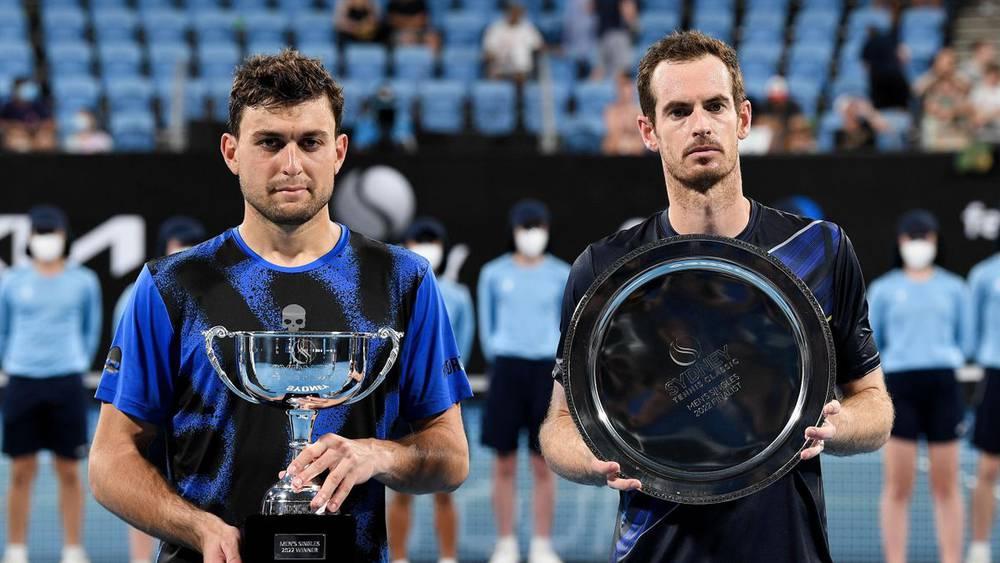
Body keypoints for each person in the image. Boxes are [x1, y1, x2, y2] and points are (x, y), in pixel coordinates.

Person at [88, 50, 473, 563]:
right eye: (269, 142)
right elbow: (110, 459)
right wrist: (198, 528)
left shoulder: (404, 280)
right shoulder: (173, 285)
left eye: (309, 142)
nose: (291, 165)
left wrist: (377, 454)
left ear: (338, 152)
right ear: (231, 151)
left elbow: (450, 457)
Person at [539, 31, 894, 562]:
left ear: (743, 119)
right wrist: (590, 459)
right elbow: (559, 425)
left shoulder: (819, 249)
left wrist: (840, 426)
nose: (700, 125)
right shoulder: (603, 271)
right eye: (678, 111)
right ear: (649, 131)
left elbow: (876, 406)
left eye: (715, 106)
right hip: (656, 548)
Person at [868, 210, 972, 563]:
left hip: (943, 385)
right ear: (900, 243)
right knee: (899, 485)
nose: (918, 244)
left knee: (946, 485)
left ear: (935, 241)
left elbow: (966, 339)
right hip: (900, 387)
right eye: (911, 237)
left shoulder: (955, 288)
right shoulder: (882, 290)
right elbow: (873, 342)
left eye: (924, 237)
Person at [1, 205, 102, 563]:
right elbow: (4, 331)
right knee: (20, 470)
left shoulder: (84, 281)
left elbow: (92, 330)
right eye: (40, 232)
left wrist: (72, 361)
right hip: (22, 381)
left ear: (64, 236)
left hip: (67, 382)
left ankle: (73, 548)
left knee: (69, 470)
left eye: (51, 231)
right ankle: (15, 548)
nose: (46, 239)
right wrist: (15, 362)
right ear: (29, 238)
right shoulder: (11, 281)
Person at [478, 199, 569, 563]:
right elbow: (487, 326)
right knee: (504, 463)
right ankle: (506, 543)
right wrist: (500, 354)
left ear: (547, 230)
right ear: (514, 231)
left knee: (543, 463)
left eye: (537, 227)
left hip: (545, 374)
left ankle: (542, 545)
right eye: (525, 227)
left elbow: (566, 328)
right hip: (506, 371)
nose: (531, 235)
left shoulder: (562, 274)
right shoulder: (493, 273)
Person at [110, 216, 206, 563]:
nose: (185, 251)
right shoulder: (139, 295)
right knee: (144, 487)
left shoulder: (213, 297)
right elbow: (125, 356)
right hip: (153, 412)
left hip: (194, 419)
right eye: (178, 244)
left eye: (192, 244)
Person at [388, 217, 475, 563]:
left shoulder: (456, 294)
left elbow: (462, 345)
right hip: (402, 399)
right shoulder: (395, 291)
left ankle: (448, 558)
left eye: (431, 240)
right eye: (419, 240)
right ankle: (397, 558)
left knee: (444, 487)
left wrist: (446, 385)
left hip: (444, 399)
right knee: (400, 487)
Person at [964, 236, 1000, 563]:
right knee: (989, 466)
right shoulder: (984, 275)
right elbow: (971, 336)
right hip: (997, 376)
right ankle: (979, 547)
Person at [482, 2, 544, 82]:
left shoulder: (528, 28)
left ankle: (519, 84)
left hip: (522, 70)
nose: (515, 15)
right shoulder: (495, 28)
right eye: (513, 12)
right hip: (500, 67)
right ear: (507, 13)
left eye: (518, 13)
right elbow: (488, 49)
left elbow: (538, 45)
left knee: (519, 51)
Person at [0, 78, 56, 152]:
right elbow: (2, 124)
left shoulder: (38, 105)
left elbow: (52, 123)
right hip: (18, 136)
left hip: (35, 136)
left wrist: (37, 127)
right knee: (16, 141)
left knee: (45, 140)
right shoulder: (9, 107)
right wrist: (16, 126)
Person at [602, 72, 645, 155]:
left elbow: (641, 143)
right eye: (620, 87)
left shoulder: (638, 112)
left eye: (626, 86)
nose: (623, 90)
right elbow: (611, 142)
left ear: (632, 88)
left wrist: (626, 145)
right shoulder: (611, 111)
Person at [970, 63, 1000, 144]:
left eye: (995, 75)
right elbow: (975, 111)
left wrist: (987, 117)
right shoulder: (978, 91)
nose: (993, 78)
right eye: (990, 75)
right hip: (982, 132)